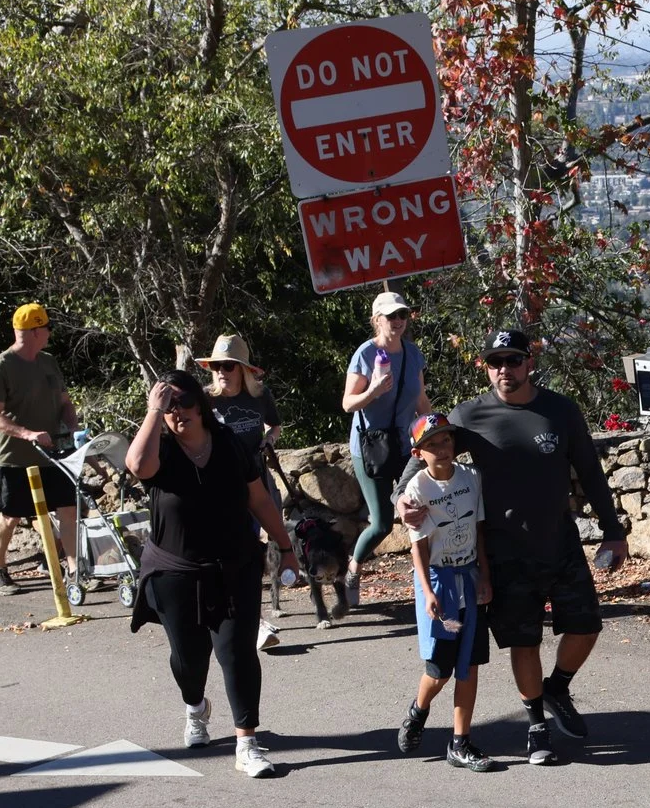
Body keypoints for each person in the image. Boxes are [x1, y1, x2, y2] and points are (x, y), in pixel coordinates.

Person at [399, 328, 628, 766]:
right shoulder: (469, 416)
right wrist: (401, 502)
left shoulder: (559, 411)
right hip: (505, 553)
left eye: (513, 360)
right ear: (486, 366)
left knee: (587, 626)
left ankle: (558, 688)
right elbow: (416, 460)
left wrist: (613, 531)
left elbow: (590, 472)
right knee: (524, 642)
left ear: (529, 362)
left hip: (559, 540)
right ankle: (537, 729)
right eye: (495, 362)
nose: (505, 369)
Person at [123, 370, 299, 779]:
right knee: (189, 659)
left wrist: (286, 549)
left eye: (184, 402)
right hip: (175, 572)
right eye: (168, 406)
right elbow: (137, 465)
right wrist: (153, 410)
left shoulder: (231, 445)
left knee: (236, 652)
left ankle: (246, 743)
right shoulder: (161, 449)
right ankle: (195, 707)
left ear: (200, 406)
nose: (177, 411)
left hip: (234, 565)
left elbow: (258, 498)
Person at [395, 412, 500, 772]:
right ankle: (418, 710)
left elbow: (479, 532)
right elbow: (418, 549)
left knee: (468, 666)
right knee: (440, 670)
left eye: (446, 440)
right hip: (439, 583)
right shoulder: (418, 490)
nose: (441, 449)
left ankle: (460, 742)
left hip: (469, 579)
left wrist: (484, 576)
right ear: (417, 453)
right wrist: (426, 592)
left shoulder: (471, 478)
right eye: (431, 444)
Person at [0, 301, 81, 598]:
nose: (49, 333)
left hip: (55, 454)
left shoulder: (48, 361)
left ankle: (75, 571)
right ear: (36, 330)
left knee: (68, 509)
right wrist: (27, 434)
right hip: (15, 458)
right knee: (10, 516)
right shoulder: (0, 366)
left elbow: (65, 402)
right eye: (47, 328)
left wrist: (73, 427)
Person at [342, 289, 428, 612]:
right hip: (369, 448)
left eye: (402, 315)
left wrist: (435, 431)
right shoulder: (365, 354)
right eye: (391, 316)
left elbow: (420, 402)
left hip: (405, 446)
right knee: (381, 524)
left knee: (421, 510)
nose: (398, 321)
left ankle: (428, 580)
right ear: (377, 320)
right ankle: (353, 569)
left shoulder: (412, 354)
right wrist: (374, 391)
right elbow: (348, 403)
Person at [200, 333, 287, 651]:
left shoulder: (260, 396)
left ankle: (254, 618)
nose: (221, 371)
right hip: (221, 487)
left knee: (256, 547)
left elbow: (274, 425)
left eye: (229, 365)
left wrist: (269, 439)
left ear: (243, 370)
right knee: (237, 550)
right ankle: (251, 620)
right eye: (217, 366)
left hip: (256, 481)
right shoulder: (205, 400)